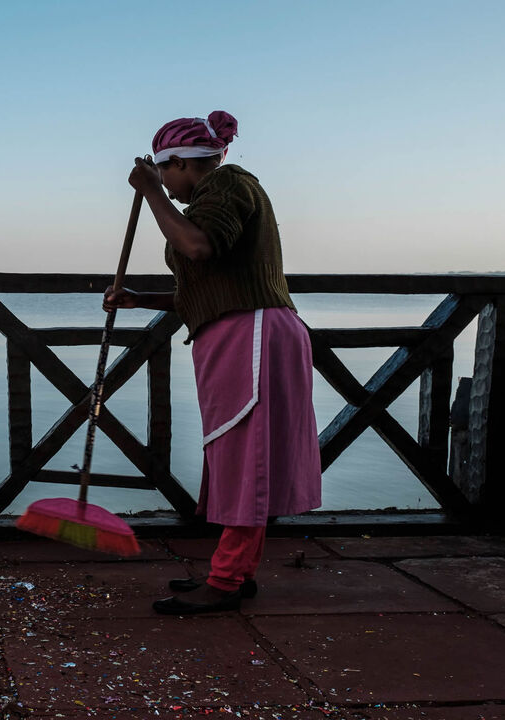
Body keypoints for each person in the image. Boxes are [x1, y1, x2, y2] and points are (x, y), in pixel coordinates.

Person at [104, 111, 322, 615]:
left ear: (180, 163)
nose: (167, 186)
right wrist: (141, 299)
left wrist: (150, 192)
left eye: (167, 175)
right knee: (239, 454)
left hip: (254, 334)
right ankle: (236, 571)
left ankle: (224, 582)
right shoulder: (211, 197)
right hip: (238, 332)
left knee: (247, 455)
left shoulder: (228, 184)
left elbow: (198, 248)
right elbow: (207, 286)